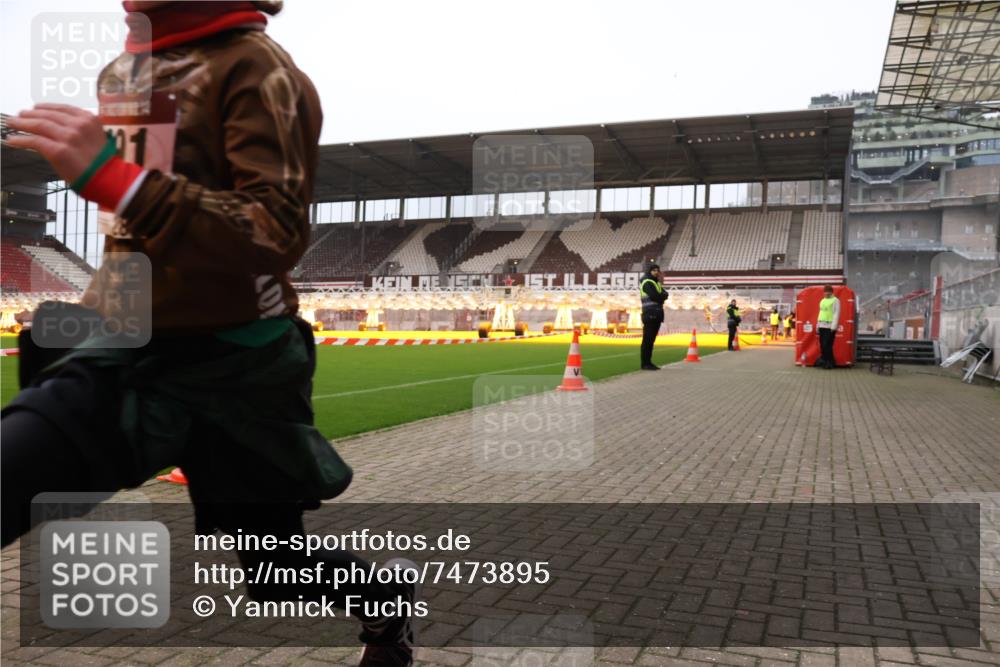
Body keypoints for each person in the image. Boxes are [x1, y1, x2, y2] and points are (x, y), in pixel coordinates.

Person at [2, 2, 417, 665]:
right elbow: (138, 219)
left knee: (275, 570)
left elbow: (274, 232)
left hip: (242, 366)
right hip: (131, 348)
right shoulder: (123, 72)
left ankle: (384, 599)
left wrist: (114, 177)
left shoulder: (259, 69)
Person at [639, 263, 668, 369]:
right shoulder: (647, 282)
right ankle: (645, 363)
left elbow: (665, 294)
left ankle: (648, 362)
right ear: (649, 271)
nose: (656, 272)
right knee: (648, 340)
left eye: (657, 270)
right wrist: (662, 297)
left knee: (651, 340)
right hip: (650, 313)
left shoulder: (656, 283)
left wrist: (662, 296)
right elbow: (656, 296)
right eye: (654, 270)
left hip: (656, 314)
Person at [816, 285, 841, 369]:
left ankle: (829, 362)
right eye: (825, 291)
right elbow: (820, 313)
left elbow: (836, 314)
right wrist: (818, 325)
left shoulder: (836, 300)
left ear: (831, 292)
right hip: (822, 325)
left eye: (828, 291)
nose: (826, 293)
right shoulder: (822, 300)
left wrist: (834, 326)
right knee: (822, 345)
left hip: (830, 326)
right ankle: (825, 360)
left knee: (827, 345)